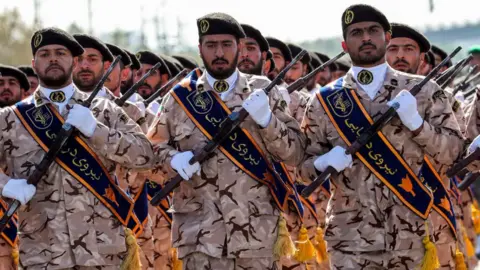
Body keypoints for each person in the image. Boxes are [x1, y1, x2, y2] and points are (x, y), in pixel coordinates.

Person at [300, 5, 463, 269]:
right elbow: (301, 169)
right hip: (349, 240)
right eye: (356, 32)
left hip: (412, 233)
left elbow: (453, 152)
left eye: (373, 31)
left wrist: (418, 125)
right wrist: (321, 162)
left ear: (387, 38)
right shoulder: (323, 101)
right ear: (344, 43)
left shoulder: (423, 91)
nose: (365, 37)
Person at [147, 12, 304, 269]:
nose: (219, 52)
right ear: (200, 49)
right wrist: (172, 159)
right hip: (199, 237)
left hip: (257, 235)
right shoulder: (180, 98)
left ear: (239, 48)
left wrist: (267, 120)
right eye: (211, 45)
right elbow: (148, 154)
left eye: (226, 44)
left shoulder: (265, 91)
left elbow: (295, 153)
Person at [0, 27, 154, 269]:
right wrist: (5, 184)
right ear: (33, 63)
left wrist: (96, 130)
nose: (52, 58)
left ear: (73, 61)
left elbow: (146, 155)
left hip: (103, 253)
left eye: (60, 53)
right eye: (44, 54)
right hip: (43, 255)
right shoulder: (10, 119)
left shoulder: (103, 110)